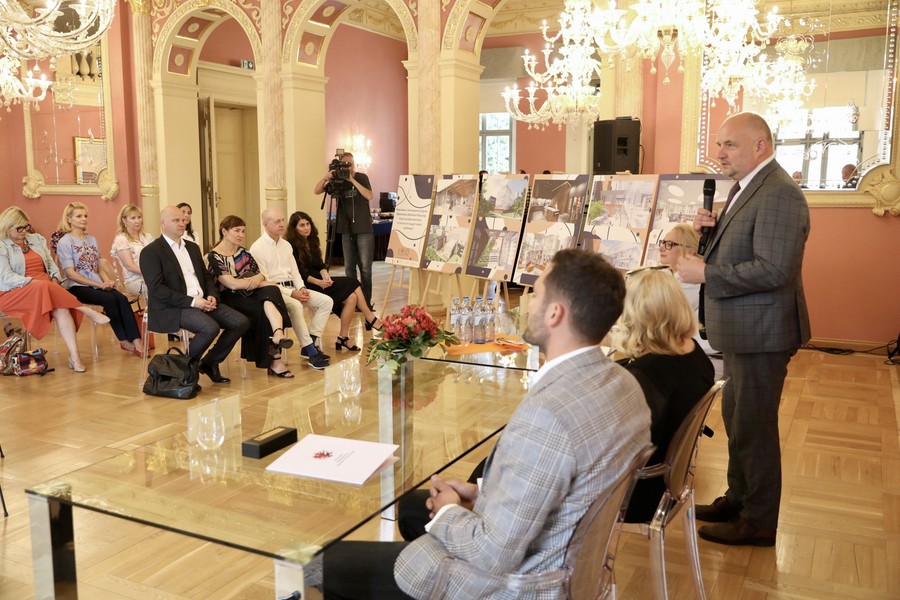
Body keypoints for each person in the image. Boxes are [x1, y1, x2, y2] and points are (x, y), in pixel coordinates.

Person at [322, 249, 651, 600]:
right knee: (413, 507)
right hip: (569, 562)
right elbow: (562, 495)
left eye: (536, 294)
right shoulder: (625, 385)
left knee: (324, 563)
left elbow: (492, 553)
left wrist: (449, 509)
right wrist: (481, 495)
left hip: (517, 585)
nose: (528, 304)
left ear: (556, 313)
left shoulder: (549, 416)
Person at [677, 112, 810, 547]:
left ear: (760, 146)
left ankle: (759, 521)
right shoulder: (746, 188)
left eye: (729, 145)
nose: (719, 153)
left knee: (754, 426)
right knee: (738, 419)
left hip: (761, 332)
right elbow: (744, 250)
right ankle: (738, 498)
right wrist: (706, 237)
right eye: (719, 144)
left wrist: (707, 273)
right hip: (742, 329)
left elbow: (775, 269)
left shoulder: (779, 194)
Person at [613, 267, 715, 522]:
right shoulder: (694, 355)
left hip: (636, 494)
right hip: (665, 484)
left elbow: (618, 446)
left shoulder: (647, 375)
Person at [140, 206, 250, 384]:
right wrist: (193, 302)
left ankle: (209, 363)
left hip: (202, 301)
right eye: (176, 220)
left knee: (240, 322)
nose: (182, 223)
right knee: (209, 328)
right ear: (163, 223)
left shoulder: (192, 247)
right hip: (173, 306)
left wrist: (212, 294)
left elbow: (206, 276)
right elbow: (157, 289)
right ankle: (185, 371)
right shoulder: (151, 252)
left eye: (183, 220)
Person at [0, 206, 110, 373]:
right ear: (7, 227)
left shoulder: (36, 239)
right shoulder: (2, 246)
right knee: (43, 286)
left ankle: (75, 357)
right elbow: (6, 278)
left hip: (45, 288)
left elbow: (51, 264)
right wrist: (33, 281)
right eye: (19, 228)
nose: (24, 231)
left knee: (62, 309)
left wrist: (55, 277)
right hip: (14, 291)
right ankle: (84, 309)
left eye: (26, 226)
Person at [207, 216, 294, 378]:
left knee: (271, 293)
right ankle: (275, 357)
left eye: (243, 231)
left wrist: (258, 281)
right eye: (237, 231)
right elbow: (230, 284)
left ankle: (278, 334)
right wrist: (258, 282)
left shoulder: (243, 253)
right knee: (268, 295)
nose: (241, 235)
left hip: (248, 294)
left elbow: (260, 274)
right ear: (224, 231)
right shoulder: (214, 256)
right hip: (229, 298)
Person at [56, 202, 144, 356]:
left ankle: (137, 342)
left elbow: (98, 266)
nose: (83, 219)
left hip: (97, 284)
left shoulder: (91, 239)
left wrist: (107, 282)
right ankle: (124, 340)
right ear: (69, 219)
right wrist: (99, 284)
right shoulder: (65, 241)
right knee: (109, 300)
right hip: (77, 286)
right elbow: (70, 273)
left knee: (121, 298)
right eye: (79, 216)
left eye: (85, 216)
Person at [285, 211, 382, 351]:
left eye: (308, 224)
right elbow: (300, 273)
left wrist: (325, 275)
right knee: (353, 283)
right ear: (294, 228)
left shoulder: (312, 241)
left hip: (318, 280)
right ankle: (370, 318)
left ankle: (343, 338)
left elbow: (320, 265)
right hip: (305, 284)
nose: (306, 228)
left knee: (352, 297)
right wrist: (319, 282)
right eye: (302, 225)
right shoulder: (291, 246)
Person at [248, 208, 332, 370]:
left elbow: (295, 272)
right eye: (277, 221)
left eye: (282, 220)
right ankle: (311, 351)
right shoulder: (257, 248)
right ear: (265, 224)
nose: (282, 224)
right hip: (274, 292)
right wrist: (292, 293)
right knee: (295, 305)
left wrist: (301, 288)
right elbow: (265, 280)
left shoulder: (286, 245)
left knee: (326, 301)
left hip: (293, 288)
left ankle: (311, 343)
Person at [313, 151, 375, 309]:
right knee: (349, 268)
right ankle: (354, 300)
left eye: (351, 164)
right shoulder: (337, 179)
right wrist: (327, 177)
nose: (348, 167)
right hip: (346, 230)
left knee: (365, 268)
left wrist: (352, 179)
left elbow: (369, 196)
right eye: (345, 164)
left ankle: (366, 303)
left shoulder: (361, 177)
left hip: (363, 229)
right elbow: (317, 190)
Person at [110, 204, 154, 298]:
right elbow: (130, 266)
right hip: (134, 280)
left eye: (139, 217)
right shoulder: (122, 239)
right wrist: (152, 274)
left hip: (153, 276)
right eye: (133, 218)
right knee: (156, 288)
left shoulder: (147, 237)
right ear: (124, 220)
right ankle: (153, 312)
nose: (137, 221)